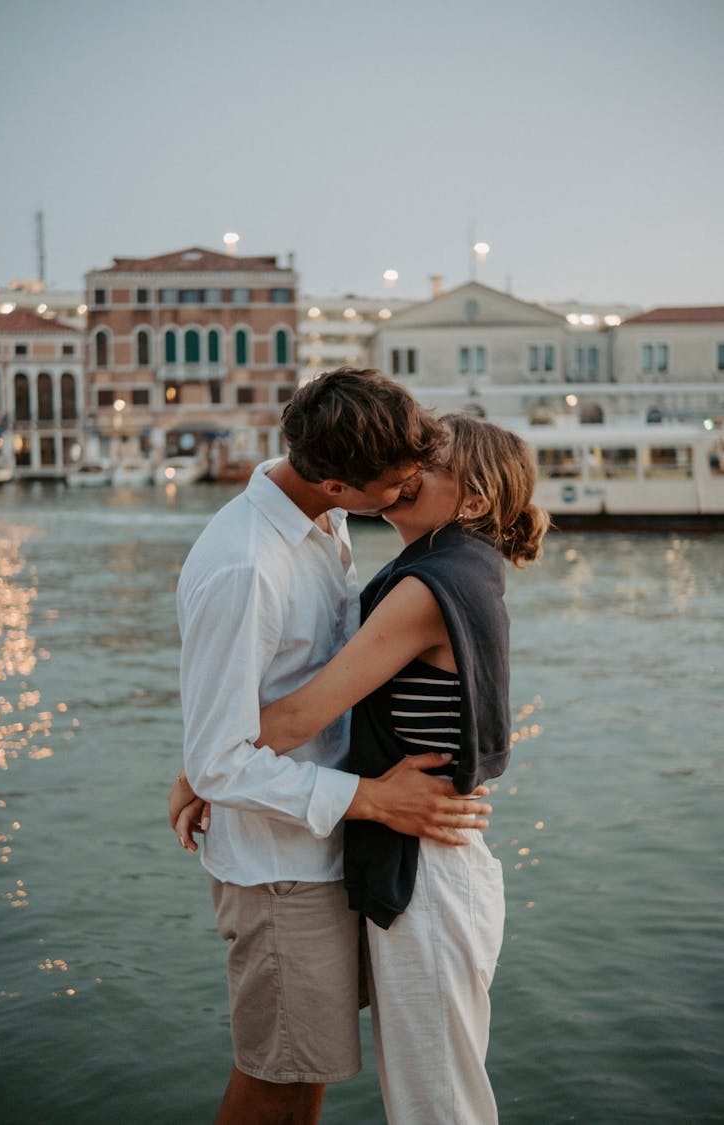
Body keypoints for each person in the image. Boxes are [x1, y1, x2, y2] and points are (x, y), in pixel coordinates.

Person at [168, 369, 493, 1125]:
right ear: (341, 483)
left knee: (307, 1072)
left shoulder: (323, 519)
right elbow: (223, 756)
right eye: (399, 480)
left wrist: (193, 767)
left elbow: (255, 716)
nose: (412, 485)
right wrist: (376, 797)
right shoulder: (247, 565)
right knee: (279, 1079)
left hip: (324, 849)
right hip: (280, 863)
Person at [251, 414, 551, 1124]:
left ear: (473, 502)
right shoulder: (457, 566)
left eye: (428, 458)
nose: (404, 465)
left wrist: (200, 767)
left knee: (437, 1108)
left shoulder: (425, 590)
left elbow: (304, 714)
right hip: (435, 861)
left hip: (430, 873)